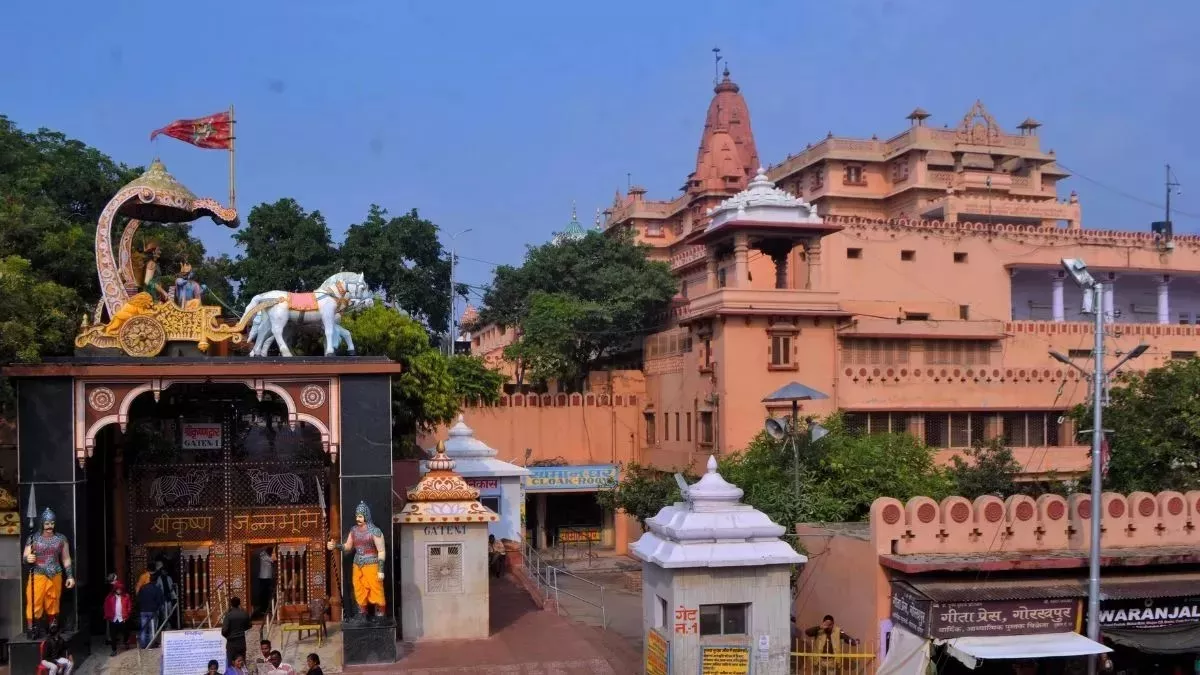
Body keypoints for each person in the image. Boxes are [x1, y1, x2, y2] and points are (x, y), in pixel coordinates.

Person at [328, 501, 387, 619]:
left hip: (372, 564)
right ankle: (362, 613)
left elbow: (381, 551)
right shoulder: (354, 530)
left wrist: (381, 570)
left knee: (376, 588)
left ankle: (380, 613)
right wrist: (335, 546)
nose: (357, 519)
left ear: (366, 516)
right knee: (358, 588)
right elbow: (347, 546)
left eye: (360, 516)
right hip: (357, 564)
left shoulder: (375, 531)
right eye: (356, 516)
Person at [24, 507, 75, 635]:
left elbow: (66, 558)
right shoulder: (33, 538)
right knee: (35, 601)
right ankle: (32, 626)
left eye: (52, 523)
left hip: (55, 573)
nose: (50, 526)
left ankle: (53, 624)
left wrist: (70, 576)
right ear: (42, 523)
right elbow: (25, 556)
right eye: (47, 523)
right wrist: (28, 558)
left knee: (53, 600)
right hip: (38, 573)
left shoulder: (61, 539)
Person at [221, 597, 252, 669]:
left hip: (231, 643)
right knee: (242, 663)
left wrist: (228, 636)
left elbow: (224, 631)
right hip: (241, 642)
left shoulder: (229, 615)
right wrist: (242, 629)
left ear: (231, 604)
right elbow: (249, 625)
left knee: (231, 664)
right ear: (239, 603)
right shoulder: (244, 614)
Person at [137, 569, 164, 648]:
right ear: (156, 581)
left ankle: (143, 645)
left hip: (143, 611)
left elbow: (138, 599)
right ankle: (151, 644)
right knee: (152, 628)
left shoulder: (143, 588)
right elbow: (160, 601)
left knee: (144, 628)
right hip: (153, 611)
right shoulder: (157, 589)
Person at [103, 580, 130, 656]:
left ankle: (126, 641)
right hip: (113, 619)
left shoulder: (126, 596)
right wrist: (108, 616)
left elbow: (129, 607)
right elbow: (106, 607)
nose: (119, 590)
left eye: (120, 589)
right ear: (115, 589)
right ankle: (114, 650)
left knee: (125, 633)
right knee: (113, 636)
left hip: (122, 619)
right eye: (118, 589)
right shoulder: (109, 597)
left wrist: (127, 616)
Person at [255, 548, 276, 617]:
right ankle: (263, 609)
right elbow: (273, 559)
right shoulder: (263, 554)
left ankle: (266, 608)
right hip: (264, 578)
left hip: (267, 578)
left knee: (267, 594)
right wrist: (274, 551)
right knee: (264, 595)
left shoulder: (266, 554)